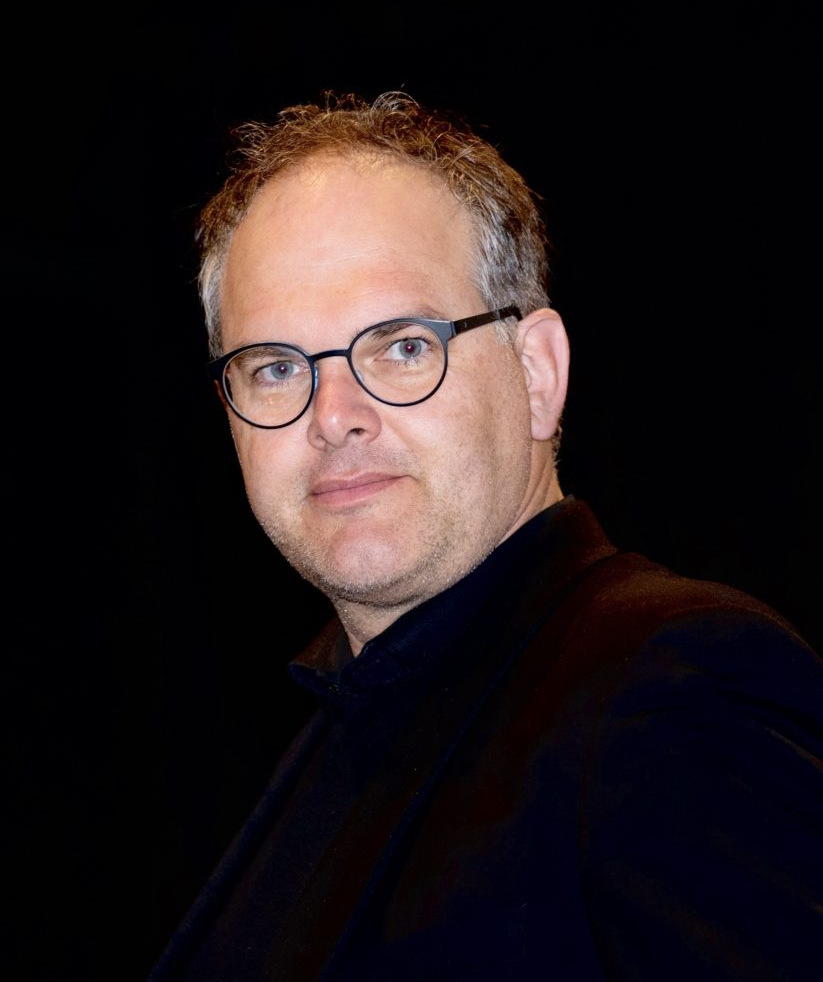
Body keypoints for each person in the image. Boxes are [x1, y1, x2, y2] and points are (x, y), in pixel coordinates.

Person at [149, 91, 823, 981]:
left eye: (400, 345)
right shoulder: (336, 740)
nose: (332, 416)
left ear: (536, 373)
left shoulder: (670, 686)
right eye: (275, 367)